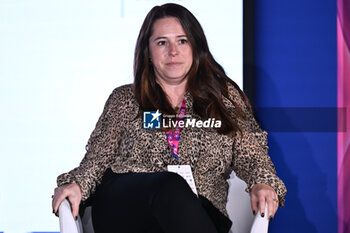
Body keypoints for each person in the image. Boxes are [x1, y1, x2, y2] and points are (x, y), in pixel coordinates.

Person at [52, 3, 287, 233]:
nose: (173, 51)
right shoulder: (124, 99)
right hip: (127, 209)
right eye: (162, 42)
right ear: (148, 52)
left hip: (199, 210)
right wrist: (78, 183)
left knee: (178, 195)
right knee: (169, 184)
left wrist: (262, 181)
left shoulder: (224, 99)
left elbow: (253, 153)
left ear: (196, 47)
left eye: (182, 41)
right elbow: (97, 158)